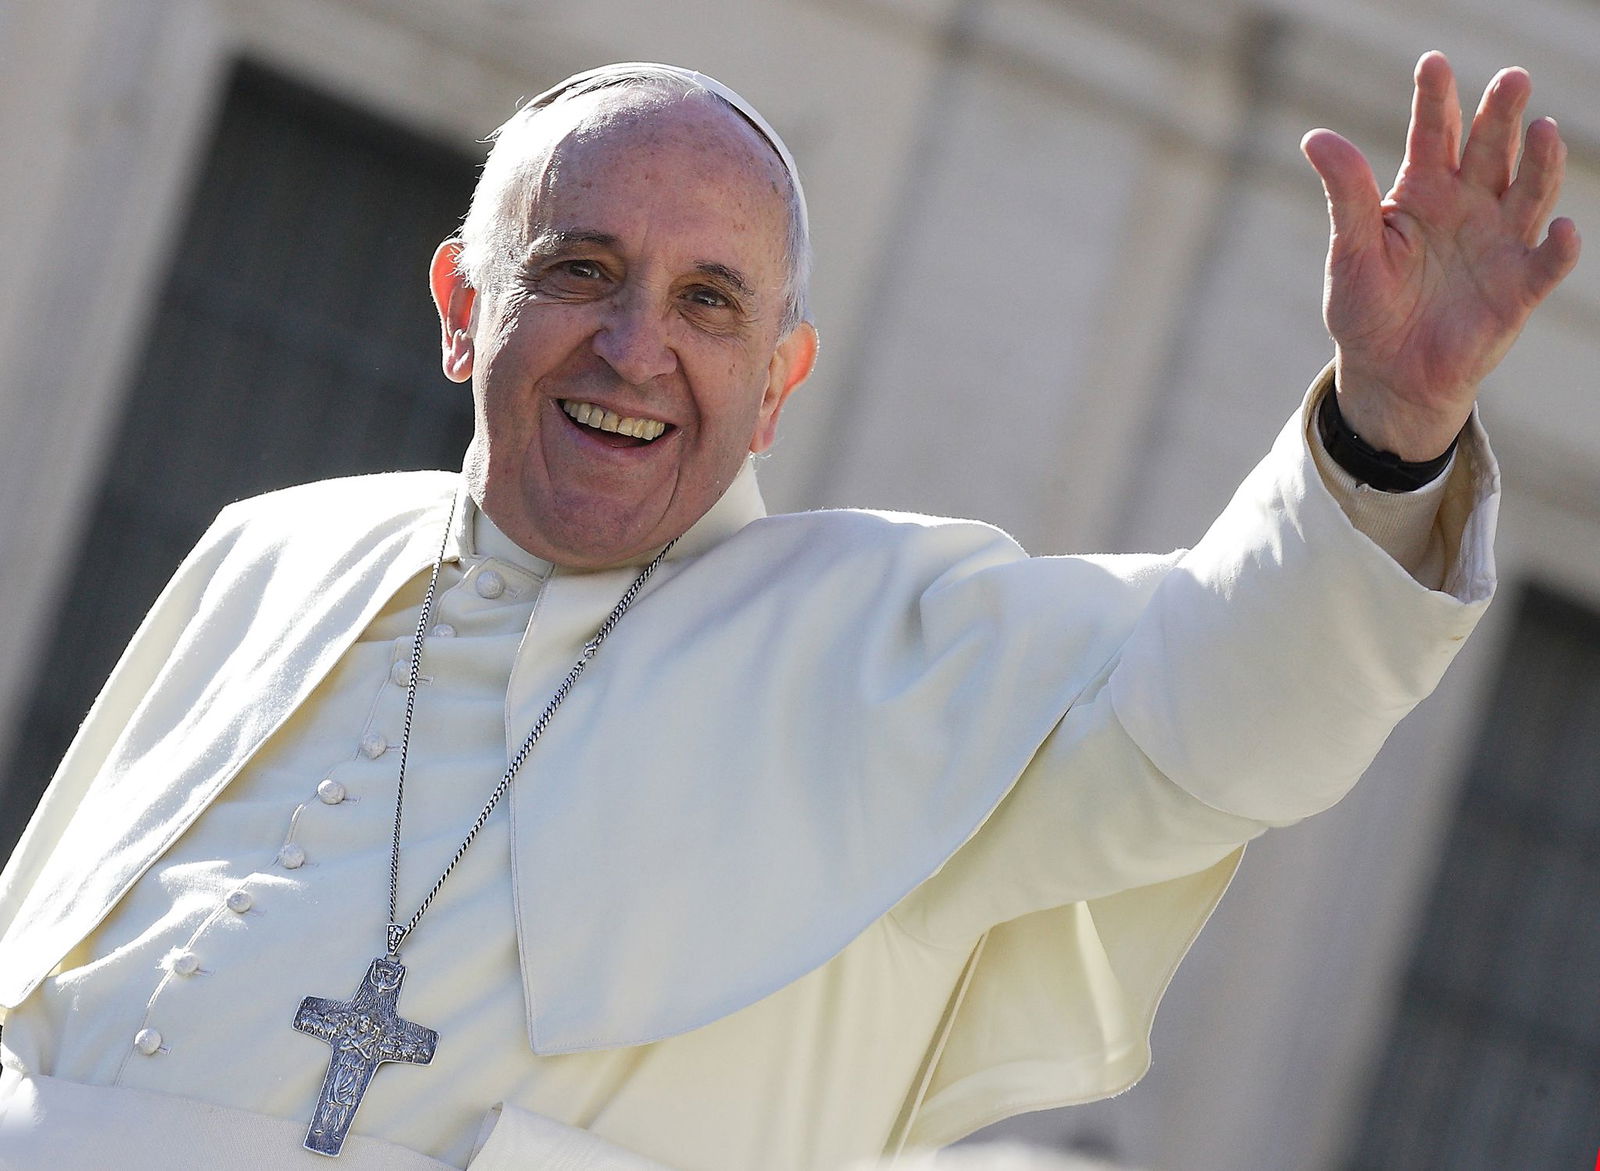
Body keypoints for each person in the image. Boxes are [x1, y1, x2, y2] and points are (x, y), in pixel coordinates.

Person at [0, 53, 1579, 1171]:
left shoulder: (895, 640)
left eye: (708, 303)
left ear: (778, 387)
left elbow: (1217, 714)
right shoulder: (273, 549)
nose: (634, 349)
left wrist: (1387, 425)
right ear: (462, 310)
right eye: (579, 269)